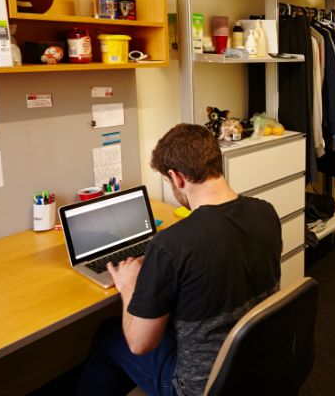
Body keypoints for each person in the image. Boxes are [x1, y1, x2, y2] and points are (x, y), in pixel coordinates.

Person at [76, 123, 282, 396]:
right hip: (258, 367)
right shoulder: (265, 212)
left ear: (177, 177)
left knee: (107, 334)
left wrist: (129, 287)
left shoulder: (170, 245)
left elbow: (139, 344)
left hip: (200, 388)